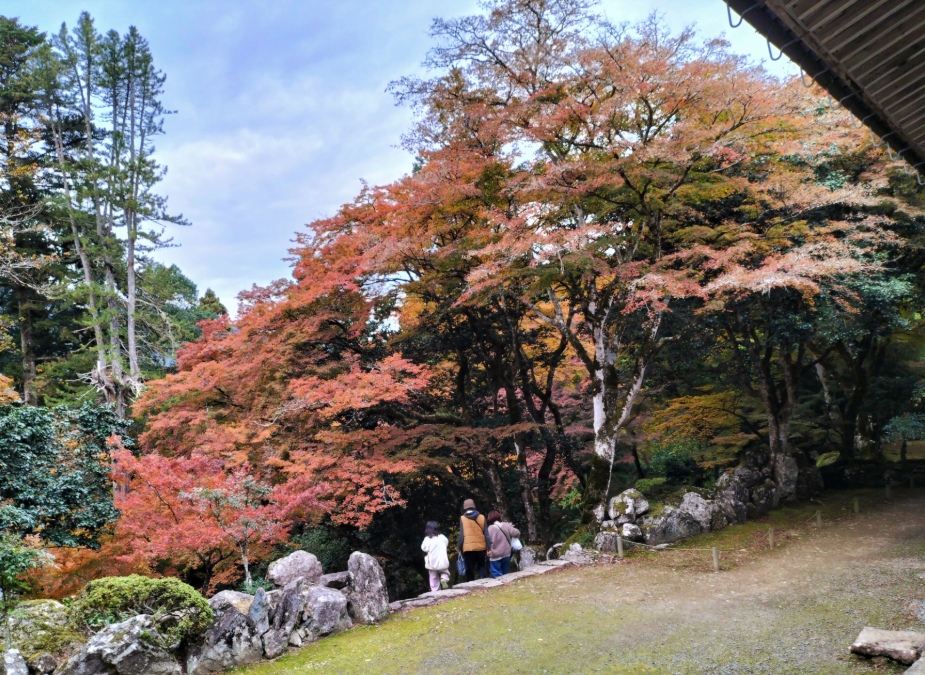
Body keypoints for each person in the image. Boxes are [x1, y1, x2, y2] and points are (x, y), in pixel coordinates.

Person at [457, 498, 490, 581]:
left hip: (468, 548)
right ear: (474, 506)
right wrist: (488, 547)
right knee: (481, 565)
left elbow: (462, 535)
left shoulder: (462, 518)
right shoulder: (482, 517)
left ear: (465, 507)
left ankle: (470, 583)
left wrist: (458, 547)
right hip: (481, 546)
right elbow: (487, 534)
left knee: (469, 568)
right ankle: (483, 580)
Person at [486, 510, 520, 578]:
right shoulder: (506, 525)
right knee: (505, 573)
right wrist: (510, 527)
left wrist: (487, 551)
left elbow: (487, 541)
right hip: (506, 553)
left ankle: (499, 585)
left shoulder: (489, 529)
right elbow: (517, 533)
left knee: (496, 573)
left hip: (495, 554)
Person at [421, 521, 450, 591]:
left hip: (432, 561)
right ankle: (444, 579)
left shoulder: (427, 539)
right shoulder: (442, 537)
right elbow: (447, 543)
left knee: (433, 577)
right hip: (442, 560)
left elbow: (423, 548)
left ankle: (435, 590)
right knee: (445, 572)